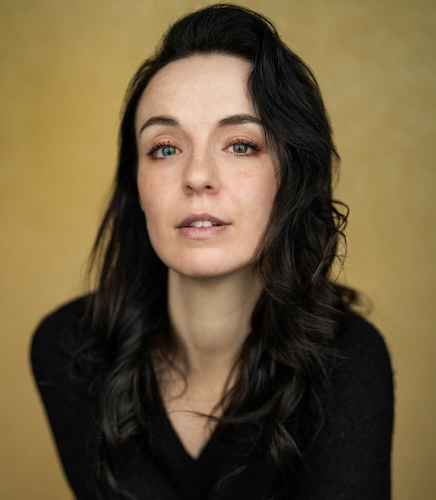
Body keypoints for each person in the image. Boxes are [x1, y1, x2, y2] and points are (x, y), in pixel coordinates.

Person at [31, 4, 393, 499]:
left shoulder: (347, 360)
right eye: (165, 147)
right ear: (136, 186)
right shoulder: (72, 349)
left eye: (241, 145)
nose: (197, 176)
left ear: (291, 177)